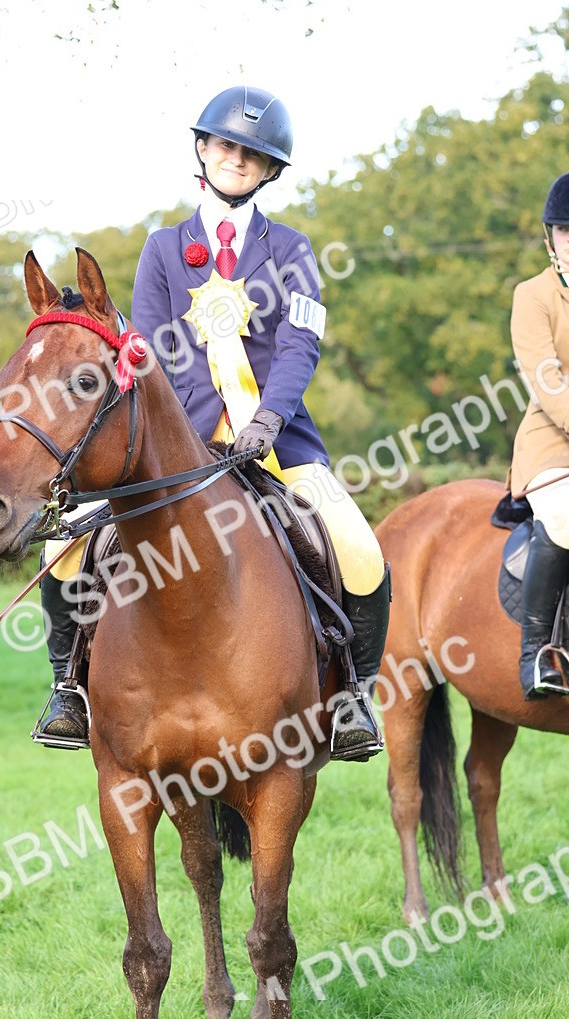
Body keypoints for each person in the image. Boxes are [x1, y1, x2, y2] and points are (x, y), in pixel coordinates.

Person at [127, 85, 391, 762]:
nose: (237, 159)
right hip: (184, 452)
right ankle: (69, 687)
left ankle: (354, 698)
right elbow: (152, 353)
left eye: (253, 153)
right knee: (72, 549)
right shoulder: (162, 250)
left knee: (362, 554)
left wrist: (269, 419)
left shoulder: (294, 251)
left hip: (282, 446)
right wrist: (188, 438)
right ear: (202, 148)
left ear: (270, 169)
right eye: (225, 144)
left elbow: (301, 345)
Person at [509, 171, 569, 700]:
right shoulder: (533, 296)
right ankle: (537, 655)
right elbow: (547, 379)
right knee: (566, 514)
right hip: (552, 444)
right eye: (566, 231)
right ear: (551, 237)